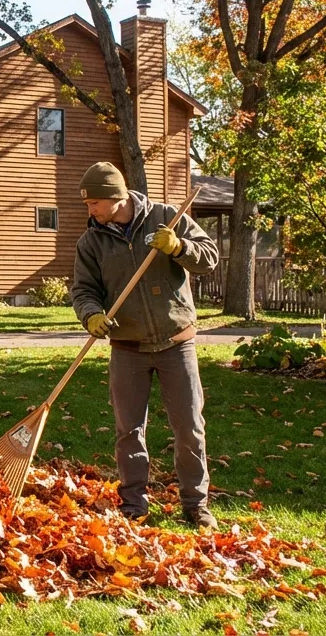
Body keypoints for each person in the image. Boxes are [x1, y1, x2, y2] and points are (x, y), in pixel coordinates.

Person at [70, 162, 221, 528]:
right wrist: (91, 315)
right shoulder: (91, 241)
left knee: (189, 427)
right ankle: (134, 504)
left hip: (176, 343)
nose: (89, 210)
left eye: (93, 203)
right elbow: (84, 291)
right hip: (128, 348)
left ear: (115, 197)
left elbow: (209, 258)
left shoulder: (167, 217)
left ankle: (196, 505)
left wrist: (179, 246)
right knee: (129, 430)